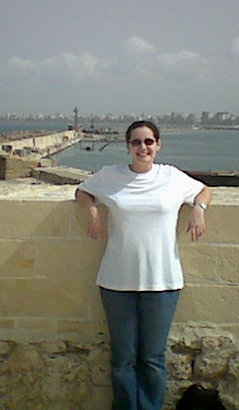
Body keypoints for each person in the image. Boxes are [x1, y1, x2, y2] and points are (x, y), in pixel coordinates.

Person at [75, 120, 212, 410]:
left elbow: (203, 191)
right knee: (123, 358)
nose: (143, 148)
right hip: (116, 282)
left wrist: (198, 210)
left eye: (149, 142)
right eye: (136, 142)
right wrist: (91, 211)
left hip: (162, 282)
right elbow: (82, 191)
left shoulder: (172, 177)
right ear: (128, 146)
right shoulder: (110, 176)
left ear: (158, 145)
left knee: (152, 358)